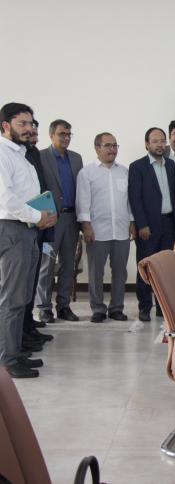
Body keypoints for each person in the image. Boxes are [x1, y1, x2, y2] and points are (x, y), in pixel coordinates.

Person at [0, 103, 57, 378]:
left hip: (28, 229)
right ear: (5, 126)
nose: (29, 128)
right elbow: (6, 199)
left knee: (22, 296)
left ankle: (15, 350)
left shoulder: (21, 155)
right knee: (12, 298)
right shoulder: (2, 153)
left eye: (31, 123)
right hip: (12, 228)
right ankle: (7, 360)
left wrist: (43, 216)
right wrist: (37, 216)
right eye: (22, 123)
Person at [76, 133, 135, 323]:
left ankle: (117, 308)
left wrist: (132, 222)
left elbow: (129, 201)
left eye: (115, 145)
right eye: (108, 145)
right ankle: (98, 309)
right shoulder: (87, 173)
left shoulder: (124, 172)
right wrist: (86, 227)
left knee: (120, 272)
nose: (112, 149)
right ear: (97, 148)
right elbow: (82, 202)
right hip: (97, 231)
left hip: (121, 230)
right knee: (96, 273)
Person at [35, 119, 83, 324]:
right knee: (47, 264)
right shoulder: (40, 157)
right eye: (62, 134)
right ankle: (44, 307)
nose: (66, 138)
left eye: (69, 134)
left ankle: (63, 306)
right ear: (51, 135)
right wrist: (43, 215)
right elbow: (36, 187)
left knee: (68, 264)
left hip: (71, 219)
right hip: (50, 221)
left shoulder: (76, 158)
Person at [129, 127, 175, 322]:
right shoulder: (137, 166)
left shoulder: (170, 165)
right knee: (146, 267)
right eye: (155, 141)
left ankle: (162, 307)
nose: (159, 145)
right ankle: (144, 306)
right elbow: (135, 198)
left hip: (168, 224)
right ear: (147, 144)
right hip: (148, 225)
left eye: (162, 141)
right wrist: (141, 224)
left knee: (164, 268)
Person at [22, 120, 54, 356]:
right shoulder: (14, 155)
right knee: (20, 284)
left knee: (32, 278)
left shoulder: (33, 154)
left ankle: (28, 325)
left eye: (34, 128)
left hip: (40, 223)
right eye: (26, 126)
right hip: (21, 224)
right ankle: (20, 334)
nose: (32, 132)